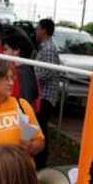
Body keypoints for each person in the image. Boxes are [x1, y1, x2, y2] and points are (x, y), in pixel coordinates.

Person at [0, 58, 44, 156]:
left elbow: (40, 141)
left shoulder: (22, 105)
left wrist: (31, 147)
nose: (11, 83)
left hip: (21, 168)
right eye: (6, 78)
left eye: (12, 78)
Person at [34, 18, 61, 170]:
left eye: (38, 28)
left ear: (44, 30)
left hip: (45, 96)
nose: (36, 31)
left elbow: (48, 71)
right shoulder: (44, 47)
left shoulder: (49, 48)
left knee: (41, 130)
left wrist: (32, 74)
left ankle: (41, 163)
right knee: (40, 128)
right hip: (43, 96)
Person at [0, 28, 40, 111]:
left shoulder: (24, 72)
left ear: (16, 51)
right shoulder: (17, 69)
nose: (2, 53)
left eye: (5, 49)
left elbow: (25, 103)